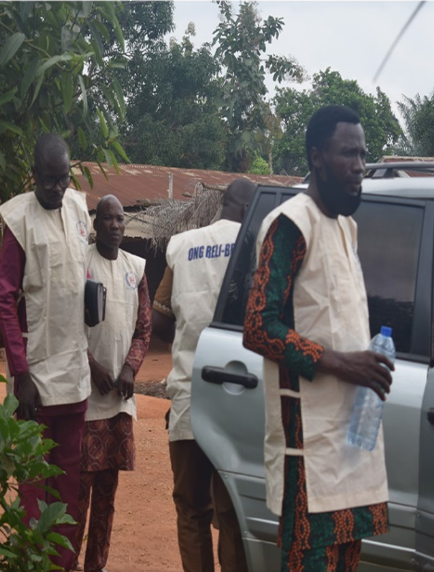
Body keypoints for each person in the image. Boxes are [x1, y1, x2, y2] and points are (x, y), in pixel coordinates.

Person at [242, 105, 394, 572]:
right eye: (348, 153)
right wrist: (344, 364)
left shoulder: (347, 227)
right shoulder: (291, 224)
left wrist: (365, 360)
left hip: (352, 438)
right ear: (317, 158)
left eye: (363, 154)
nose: (360, 165)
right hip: (309, 446)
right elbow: (258, 327)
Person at [0, 132, 91, 571]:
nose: (57, 188)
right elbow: (5, 299)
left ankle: (64, 566)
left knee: (67, 490)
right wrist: (21, 373)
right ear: (33, 175)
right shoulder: (19, 221)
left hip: (74, 374)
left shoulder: (78, 208)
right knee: (34, 488)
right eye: (49, 179)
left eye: (64, 178)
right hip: (35, 380)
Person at [152, 178, 256, 572]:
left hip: (188, 397)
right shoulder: (254, 246)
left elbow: (160, 322)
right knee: (232, 514)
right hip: (238, 402)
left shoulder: (182, 245)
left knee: (191, 509)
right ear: (247, 209)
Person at [72, 195, 152, 572]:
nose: (116, 225)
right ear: (95, 224)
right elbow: (67, 325)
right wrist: (92, 366)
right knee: (77, 493)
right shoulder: (81, 264)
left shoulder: (136, 268)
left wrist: (130, 369)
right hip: (85, 401)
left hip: (119, 401)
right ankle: (67, 562)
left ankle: (96, 565)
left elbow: (144, 328)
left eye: (121, 219)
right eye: (108, 219)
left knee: (107, 493)